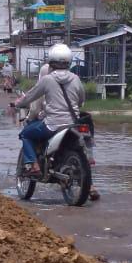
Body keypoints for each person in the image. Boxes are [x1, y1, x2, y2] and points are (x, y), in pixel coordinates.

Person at [14, 44, 85, 178]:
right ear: (69, 62)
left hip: (52, 125)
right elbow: (81, 101)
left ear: (51, 62)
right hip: (73, 124)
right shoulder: (76, 79)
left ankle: (34, 166)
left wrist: (18, 103)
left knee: (25, 134)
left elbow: (30, 96)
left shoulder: (47, 79)